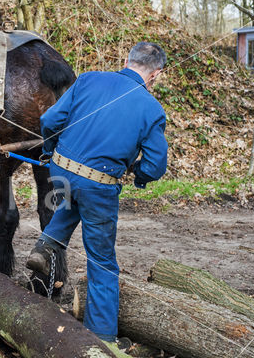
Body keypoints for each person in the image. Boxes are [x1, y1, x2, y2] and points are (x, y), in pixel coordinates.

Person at [27, 42, 168, 342]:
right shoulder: (152, 109)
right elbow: (155, 165)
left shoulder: (89, 78)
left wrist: (50, 151)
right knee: (102, 261)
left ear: (127, 60)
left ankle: (46, 245)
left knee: (75, 198)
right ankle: (102, 338)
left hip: (61, 171)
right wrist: (138, 174)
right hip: (98, 183)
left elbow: (49, 121)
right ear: (155, 74)